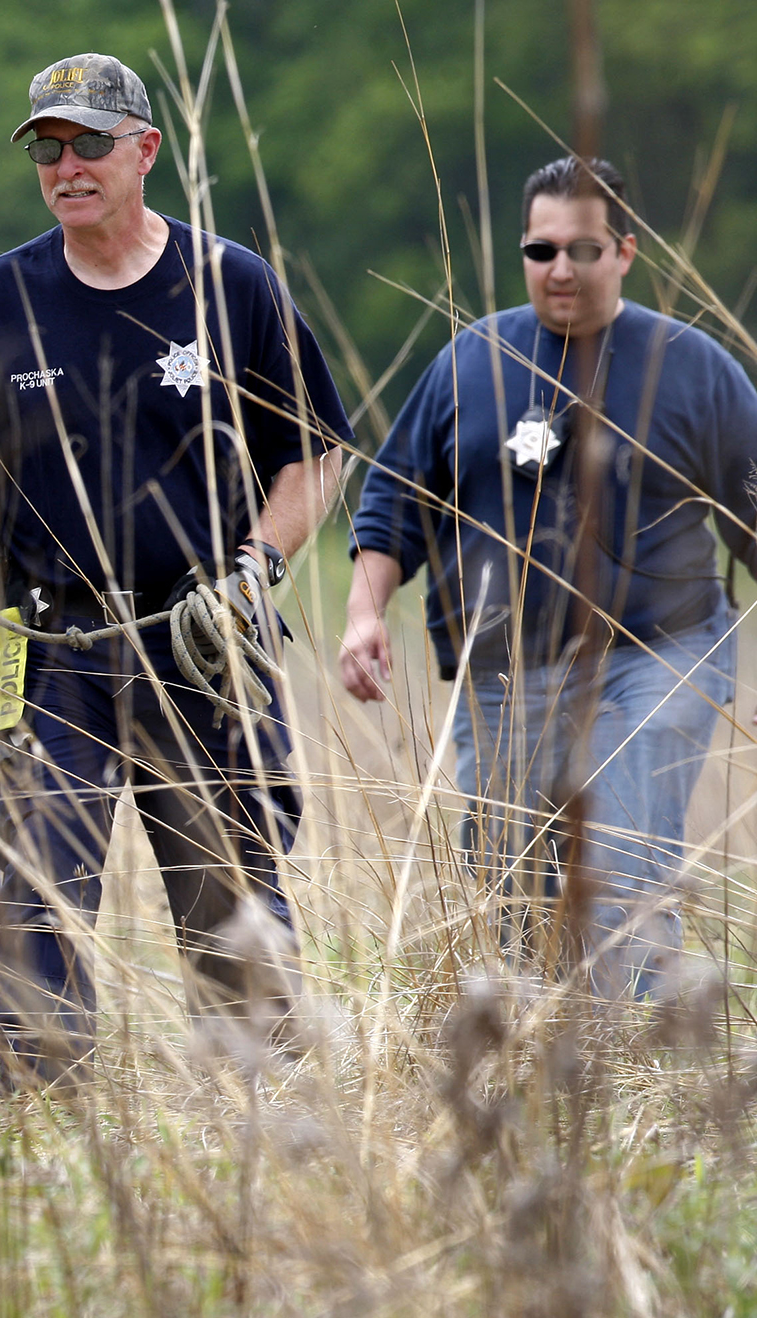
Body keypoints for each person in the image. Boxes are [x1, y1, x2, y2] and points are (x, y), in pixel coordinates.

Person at [0, 54, 350, 1082]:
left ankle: (269, 1115)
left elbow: (313, 453)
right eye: (47, 149)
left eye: (88, 142)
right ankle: (46, 1127)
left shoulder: (230, 284)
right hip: (48, 651)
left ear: (143, 149)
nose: (66, 165)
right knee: (32, 896)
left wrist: (253, 567)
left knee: (228, 899)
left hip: (199, 641)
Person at [342, 156, 757, 1003]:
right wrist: (362, 614)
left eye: (583, 249)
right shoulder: (472, 362)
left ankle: (639, 1053)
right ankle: (541, 1059)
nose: (559, 268)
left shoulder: (693, 367)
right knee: (513, 889)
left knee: (621, 841)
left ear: (626, 253)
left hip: (657, 655)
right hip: (505, 671)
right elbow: (392, 502)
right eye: (540, 250)